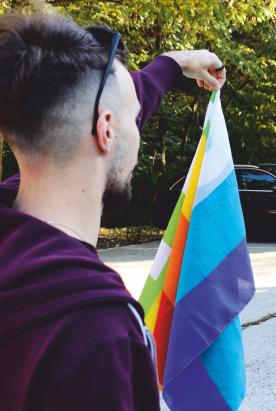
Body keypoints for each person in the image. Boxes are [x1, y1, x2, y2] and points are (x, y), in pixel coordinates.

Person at [0, 12, 225, 410]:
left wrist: (173, 65)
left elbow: (103, 107)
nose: (138, 126)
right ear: (107, 129)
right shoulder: (96, 330)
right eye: (133, 116)